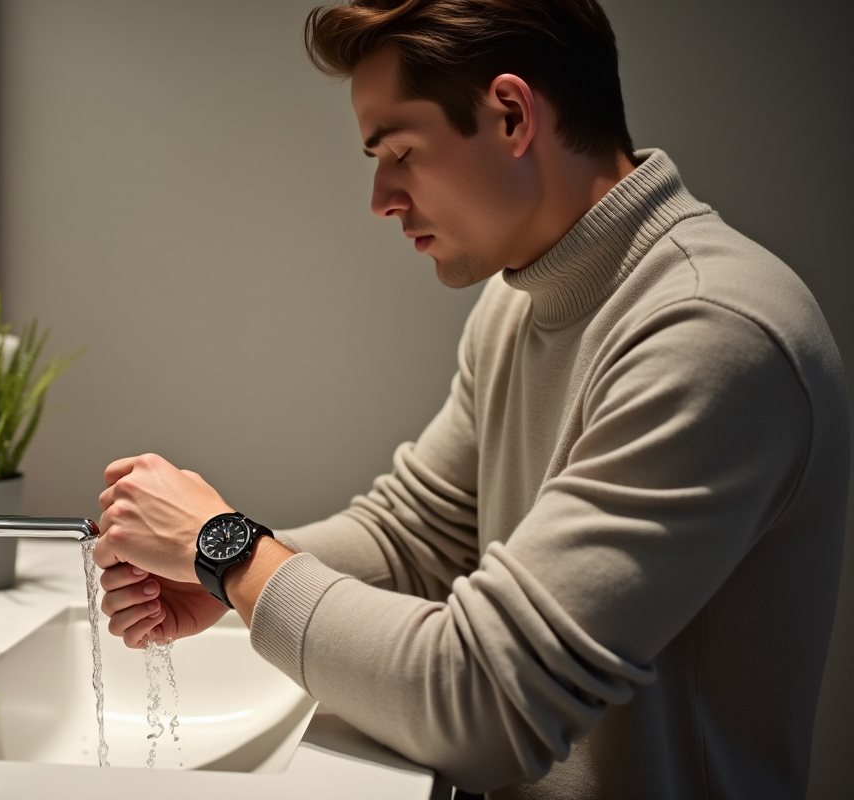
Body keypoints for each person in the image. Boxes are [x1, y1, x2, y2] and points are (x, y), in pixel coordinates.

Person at [92, 1, 851, 797]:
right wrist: (213, 573)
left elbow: (485, 702)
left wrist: (231, 552)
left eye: (402, 152)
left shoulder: (712, 332)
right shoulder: (519, 300)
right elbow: (414, 541)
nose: (381, 197)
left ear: (513, 114)